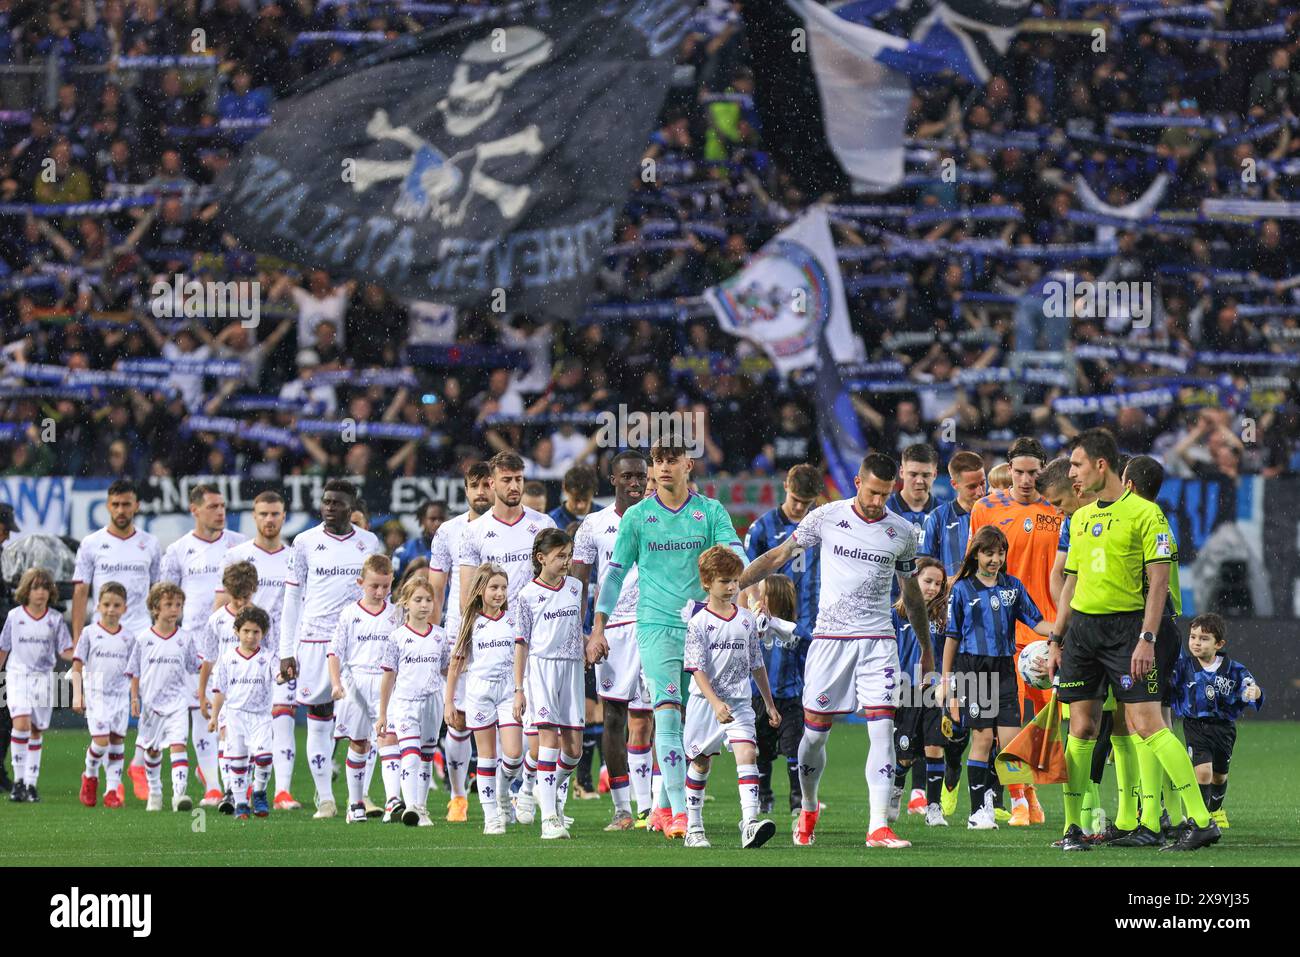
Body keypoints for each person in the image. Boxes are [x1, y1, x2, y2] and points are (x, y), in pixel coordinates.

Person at [740, 452, 933, 849]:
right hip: (829, 642)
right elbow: (778, 557)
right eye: (872, 492)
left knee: (883, 727)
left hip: (878, 640)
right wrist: (731, 586)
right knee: (814, 737)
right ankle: (808, 807)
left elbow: (910, 594)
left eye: (885, 494)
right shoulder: (826, 517)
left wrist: (926, 646)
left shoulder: (902, 532)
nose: (878, 501)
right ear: (858, 483)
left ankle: (878, 826)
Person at [1048, 428, 1220, 852]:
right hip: (1084, 633)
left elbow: (1159, 583)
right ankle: (1072, 829)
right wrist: (1056, 636)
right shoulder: (1082, 518)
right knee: (1082, 727)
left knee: (1147, 724)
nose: (1072, 473)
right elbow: (1072, 584)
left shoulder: (1146, 514)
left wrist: (1146, 638)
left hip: (1127, 632)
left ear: (1100, 465)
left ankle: (1200, 820)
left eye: (1077, 464)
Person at [587, 440, 749, 841]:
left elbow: (736, 558)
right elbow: (615, 574)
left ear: (687, 465)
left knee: (697, 723)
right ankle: (680, 813)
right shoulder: (639, 517)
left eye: (670, 461)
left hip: (702, 627)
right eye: (657, 461)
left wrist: (748, 601)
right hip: (655, 626)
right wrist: (598, 625)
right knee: (667, 713)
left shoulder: (709, 512)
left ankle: (662, 803)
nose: (662, 468)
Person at [968, 437, 1061, 824]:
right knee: (1010, 725)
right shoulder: (985, 508)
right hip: (1003, 632)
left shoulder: (1059, 509)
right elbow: (973, 567)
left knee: (1049, 726)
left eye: (1033, 472)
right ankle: (1019, 799)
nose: (1026, 479)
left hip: (1049, 631)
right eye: (1019, 472)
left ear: (1043, 469)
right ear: (1009, 469)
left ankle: (1034, 795)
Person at [280, 478, 383, 821]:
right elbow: (293, 597)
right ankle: (325, 797)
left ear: (351, 507)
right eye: (325, 502)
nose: (328, 508)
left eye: (336, 503)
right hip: (314, 642)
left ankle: (362, 795)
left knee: (364, 725)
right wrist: (286, 649)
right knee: (319, 722)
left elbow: (381, 591)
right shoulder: (305, 542)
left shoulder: (368, 542)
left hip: (358, 643)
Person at [943, 527, 1054, 829]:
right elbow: (952, 637)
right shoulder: (963, 590)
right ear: (976, 554)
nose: (995, 559)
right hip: (972, 668)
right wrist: (946, 680)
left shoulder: (1013, 587)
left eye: (1000, 552)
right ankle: (979, 811)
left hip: (1004, 668)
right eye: (988, 553)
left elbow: (1037, 621)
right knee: (981, 738)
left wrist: (1061, 630)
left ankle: (1018, 801)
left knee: (1009, 742)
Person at [572, 449, 654, 829]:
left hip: (656, 624)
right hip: (614, 630)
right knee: (615, 716)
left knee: (664, 714)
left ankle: (659, 806)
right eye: (628, 477)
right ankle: (623, 808)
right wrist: (586, 631)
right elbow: (578, 582)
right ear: (614, 479)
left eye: (641, 475)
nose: (635, 482)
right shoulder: (593, 524)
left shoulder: (661, 519)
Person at [681, 546, 780, 850]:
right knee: (699, 762)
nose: (732, 586)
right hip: (705, 703)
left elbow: (756, 663)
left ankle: (749, 823)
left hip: (739, 702)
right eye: (725, 581)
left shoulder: (747, 620)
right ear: (707, 583)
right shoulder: (699, 622)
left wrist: (769, 703)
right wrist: (714, 702)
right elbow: (696, 669)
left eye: (735, 580)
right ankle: (694, 826)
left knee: (747, 753)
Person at [70, 479, 161, 800]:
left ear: (136, 505)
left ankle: (137, 766)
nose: (122, 510)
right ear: (108, 506)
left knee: (148, 702)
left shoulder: (149, 544)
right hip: (103, 636)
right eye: (116, 505)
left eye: (127, 504)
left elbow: (157, 592)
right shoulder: (92, 543)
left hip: (139, 633)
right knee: (104, 710)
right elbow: (81, 591)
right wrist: (77, 637)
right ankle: (107, 778)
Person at [159, 483, 248, 807]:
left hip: (233, 644)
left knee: (236, 713)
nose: (220, 511)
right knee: (202, 712)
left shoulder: (239, 545)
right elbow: (164, 596)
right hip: (194, 646)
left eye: (223, 506)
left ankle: (234, 778)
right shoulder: (179, 550)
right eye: (213, 506)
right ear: (194, 509)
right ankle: (213, 783)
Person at [742, 463, 820, 815]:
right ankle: (766, 792)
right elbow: (744, 577)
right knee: (764, 722)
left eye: (807, 502)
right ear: (785, 485)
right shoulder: (763, 528)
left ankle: (798, 794)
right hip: (768, 620)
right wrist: (751, 614)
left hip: (811, 625)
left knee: (798, 712)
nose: (801, 508)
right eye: (796, 500)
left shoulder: (821, 526)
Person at [220, 491, 299, 808]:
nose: (270, 519)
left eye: (275, 514)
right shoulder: (236, 555)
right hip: (241, 654)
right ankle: (233, 788)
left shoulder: (294, 555)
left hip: (280, 652)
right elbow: (223, 603)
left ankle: (281, 791)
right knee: (236, 720)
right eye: (264, 513)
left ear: (284, 516)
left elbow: (299, 604)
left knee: (282, 718)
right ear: (254, 515)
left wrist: (294, 648)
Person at [919, 450, 985, 816]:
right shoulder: (938, 519)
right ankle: (951, 769)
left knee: (984, 712)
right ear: (954, 483)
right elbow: (924, 568)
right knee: (951, 712)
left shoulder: (991, 514)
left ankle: (989, 796)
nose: (980, 490)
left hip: (984, 628)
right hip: (948, 628)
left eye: (983, 483)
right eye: (972, 485)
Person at [428, 461, 494, 822]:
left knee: (503, 721)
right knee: (459, 721)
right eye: (475, 485)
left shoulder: (516, 528)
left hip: (503, 637)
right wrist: (439, 639)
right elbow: (437, 590)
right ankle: (458, 796)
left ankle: (504, 796)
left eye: (487, 484)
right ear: (465, 490)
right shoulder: (448, 532)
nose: (482, 491)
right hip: (460, 635)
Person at [513, 528, 585, 840]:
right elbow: (521, 643)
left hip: (572, 670)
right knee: (548, 741)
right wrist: (519, 689)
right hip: (541, 669)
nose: (566, 561)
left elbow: (574, 626)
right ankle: (550, 819)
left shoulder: (576, 587)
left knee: (574, 752)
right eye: (560, 556)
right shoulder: (526, 596)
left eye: (568, 555)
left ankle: (530, 785)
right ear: (541, 558)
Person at [1169, 613, 1263, 831]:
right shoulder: (1183, 667)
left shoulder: (1234, 669)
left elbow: (1252, 688)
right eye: (1192, 637)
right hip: (1195, 725)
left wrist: (1255, 692)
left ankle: (1216, 809)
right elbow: (1169, 685)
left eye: (1203, 638)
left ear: (1219, 644)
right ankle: (1200, 817)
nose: (1196, 643)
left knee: (1219, 776)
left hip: (1224, 729)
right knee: (1202, 772)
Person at [328, 554, 404, 824]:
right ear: (361, 582)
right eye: (374, 586)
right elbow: (335, 652)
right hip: (356, 683)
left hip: (387, 683)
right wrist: (336, 683)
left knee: (389, 737)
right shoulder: (350, 614)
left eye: (385, 586)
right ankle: (355, 802)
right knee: (359, 743)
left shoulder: (397, 614)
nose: (380, 591)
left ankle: (393, 800)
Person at [445, 563, 518, 835]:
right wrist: (449, 701)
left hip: (508, 691)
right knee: (486, 756)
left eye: (503, 587)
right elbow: (456, 663)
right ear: (480, 590)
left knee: (513, 754)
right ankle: (491, 816)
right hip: (479, 693)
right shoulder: (472, 621)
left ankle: (501, 792)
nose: (500, 593)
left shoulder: (513, 620)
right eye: (494, 587)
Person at [376, 575, 450, 827]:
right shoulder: (396, 638)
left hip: (432, 703)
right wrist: (383, 713)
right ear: (406, 603)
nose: (424, 604)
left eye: (428, 599)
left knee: (427, 755)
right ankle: (410, 808)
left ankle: (421, 807)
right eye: (418, 599)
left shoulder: (440, 636)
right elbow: (388, 677)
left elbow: (446, 670)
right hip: (405, 704)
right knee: (410, 754)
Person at [0, 568, 73, 802]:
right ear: (26, 590)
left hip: (43, 678)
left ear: (50, 592)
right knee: (20, 723)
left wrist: (83, 653)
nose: (40, 593)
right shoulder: (15, 617)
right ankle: (19, 783)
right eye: (35, 587)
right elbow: (3, 648)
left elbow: (65, 650)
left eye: (44, 587)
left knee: (35, 730)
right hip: (17, 675)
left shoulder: (55, 619)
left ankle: (31, 784)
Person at [127, 583, 199, 812]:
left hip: (178, 702)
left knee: (178, 745)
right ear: (155, 608)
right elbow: (135, 671)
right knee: (152, 750)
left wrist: (202, 689)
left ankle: (179, 794)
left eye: (178, 604)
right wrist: (134, 698)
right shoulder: (144, 639)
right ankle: (155, 791)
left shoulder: (185, 639)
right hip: (151, 705)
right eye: (169, 604)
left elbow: (193, 667)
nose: (174, 609)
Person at [196, 560, 259, 814]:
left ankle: (246, 788)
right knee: (226, 740)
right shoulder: (217, 621)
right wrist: (202, 694)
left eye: (246, 595)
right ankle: (232, 790)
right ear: (226, 590)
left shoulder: (260, 619)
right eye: (237, 596)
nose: (242, 602)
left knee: (252, 744)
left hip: (254, 690)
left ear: (254, 589)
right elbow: (208, 659)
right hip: (224, 690)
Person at [889, 557, 950, 826]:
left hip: (933, 691)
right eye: (928, 581)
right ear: (912, 581)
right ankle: (896, 789)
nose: (933, 588)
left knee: (935, 747)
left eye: (939, 583)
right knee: (904, 755)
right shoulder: (894, 615)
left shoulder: (943, 618)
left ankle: (934, 808)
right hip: (904, 690)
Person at [207, 606, 277, 820]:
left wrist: (286, 675)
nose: (250, 636)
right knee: (237, 761)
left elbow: (279, 676)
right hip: (235, 715)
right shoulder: (227, 659)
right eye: (246, 631)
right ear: (237, 631)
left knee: (264, 757)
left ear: (262, 633)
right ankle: (240, 804)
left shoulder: (268, 657)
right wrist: (214, 717)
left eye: (256, 632)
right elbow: (220, 691)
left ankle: (259, 792)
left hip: (261, 715)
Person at [72, 582, 134, 808]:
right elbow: (77, 664)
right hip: (96, 694)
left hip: (120, 696)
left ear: (124, 608)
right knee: (100, 741)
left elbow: (134, 670)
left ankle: (112, 791)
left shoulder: (128, 637)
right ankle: (89, 776)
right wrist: (77, 694)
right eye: (106, 604)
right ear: (98, 606)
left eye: (116, 605)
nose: (111, 609)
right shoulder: (89, 633)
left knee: (117, 741)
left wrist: (134, 697)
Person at [392, 501, 446, 579]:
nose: (437, 523)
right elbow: (394, 583)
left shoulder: (456, 550)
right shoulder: (404, 551)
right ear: (422, 521)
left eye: (441, 519)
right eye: (432, 519)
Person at [548, 464, 597, 530]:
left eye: (586, 499)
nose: (581, 506)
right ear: (564, 489)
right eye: (576, 500)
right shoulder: (550, 523)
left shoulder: (607, 518)